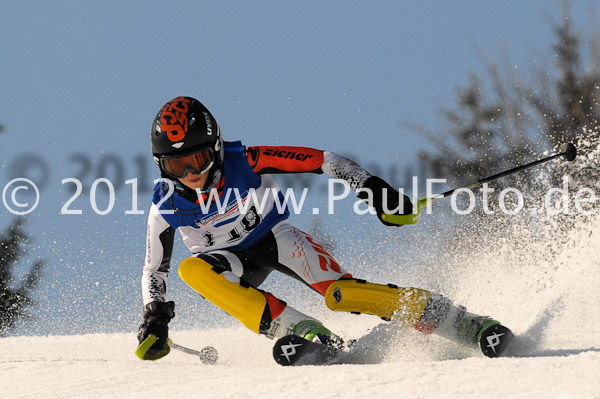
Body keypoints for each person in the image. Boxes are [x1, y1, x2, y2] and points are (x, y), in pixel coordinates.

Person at [136, 96, 513, 361]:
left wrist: (376, 192)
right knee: (190, 269)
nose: (192, 175)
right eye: (176, 166)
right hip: (228, 263)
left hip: (277, 239)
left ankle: (455, 320)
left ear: (215, 148)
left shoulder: (247, 161)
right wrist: (155, 316)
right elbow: (155, 269)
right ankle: (300, 331)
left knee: (341, 295)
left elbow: (325, 161)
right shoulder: (166, 206)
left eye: (198, 160)